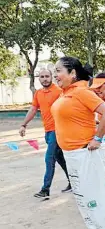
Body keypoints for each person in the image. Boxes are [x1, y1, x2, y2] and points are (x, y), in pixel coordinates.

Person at [50, 57, 105, 229]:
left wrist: (97, 138)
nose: (55, 75)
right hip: (71, 156)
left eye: (58, 71)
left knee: (100, 200)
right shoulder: (66, 93)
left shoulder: (82, 92)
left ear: (72, 73)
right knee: (88, 203)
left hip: (85, 154)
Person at [19, 68, 71, 199]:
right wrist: (23, 124)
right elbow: (33, 109)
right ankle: (73, 181)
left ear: (51, 77)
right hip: (47, 131)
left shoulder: (59, 91)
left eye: (47, 76)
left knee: (49, 158)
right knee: (59, 158)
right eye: (42, 76)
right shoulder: (38, 93)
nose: (45, 79)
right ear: (39, 79)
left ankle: (45, 189)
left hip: (58, 130)